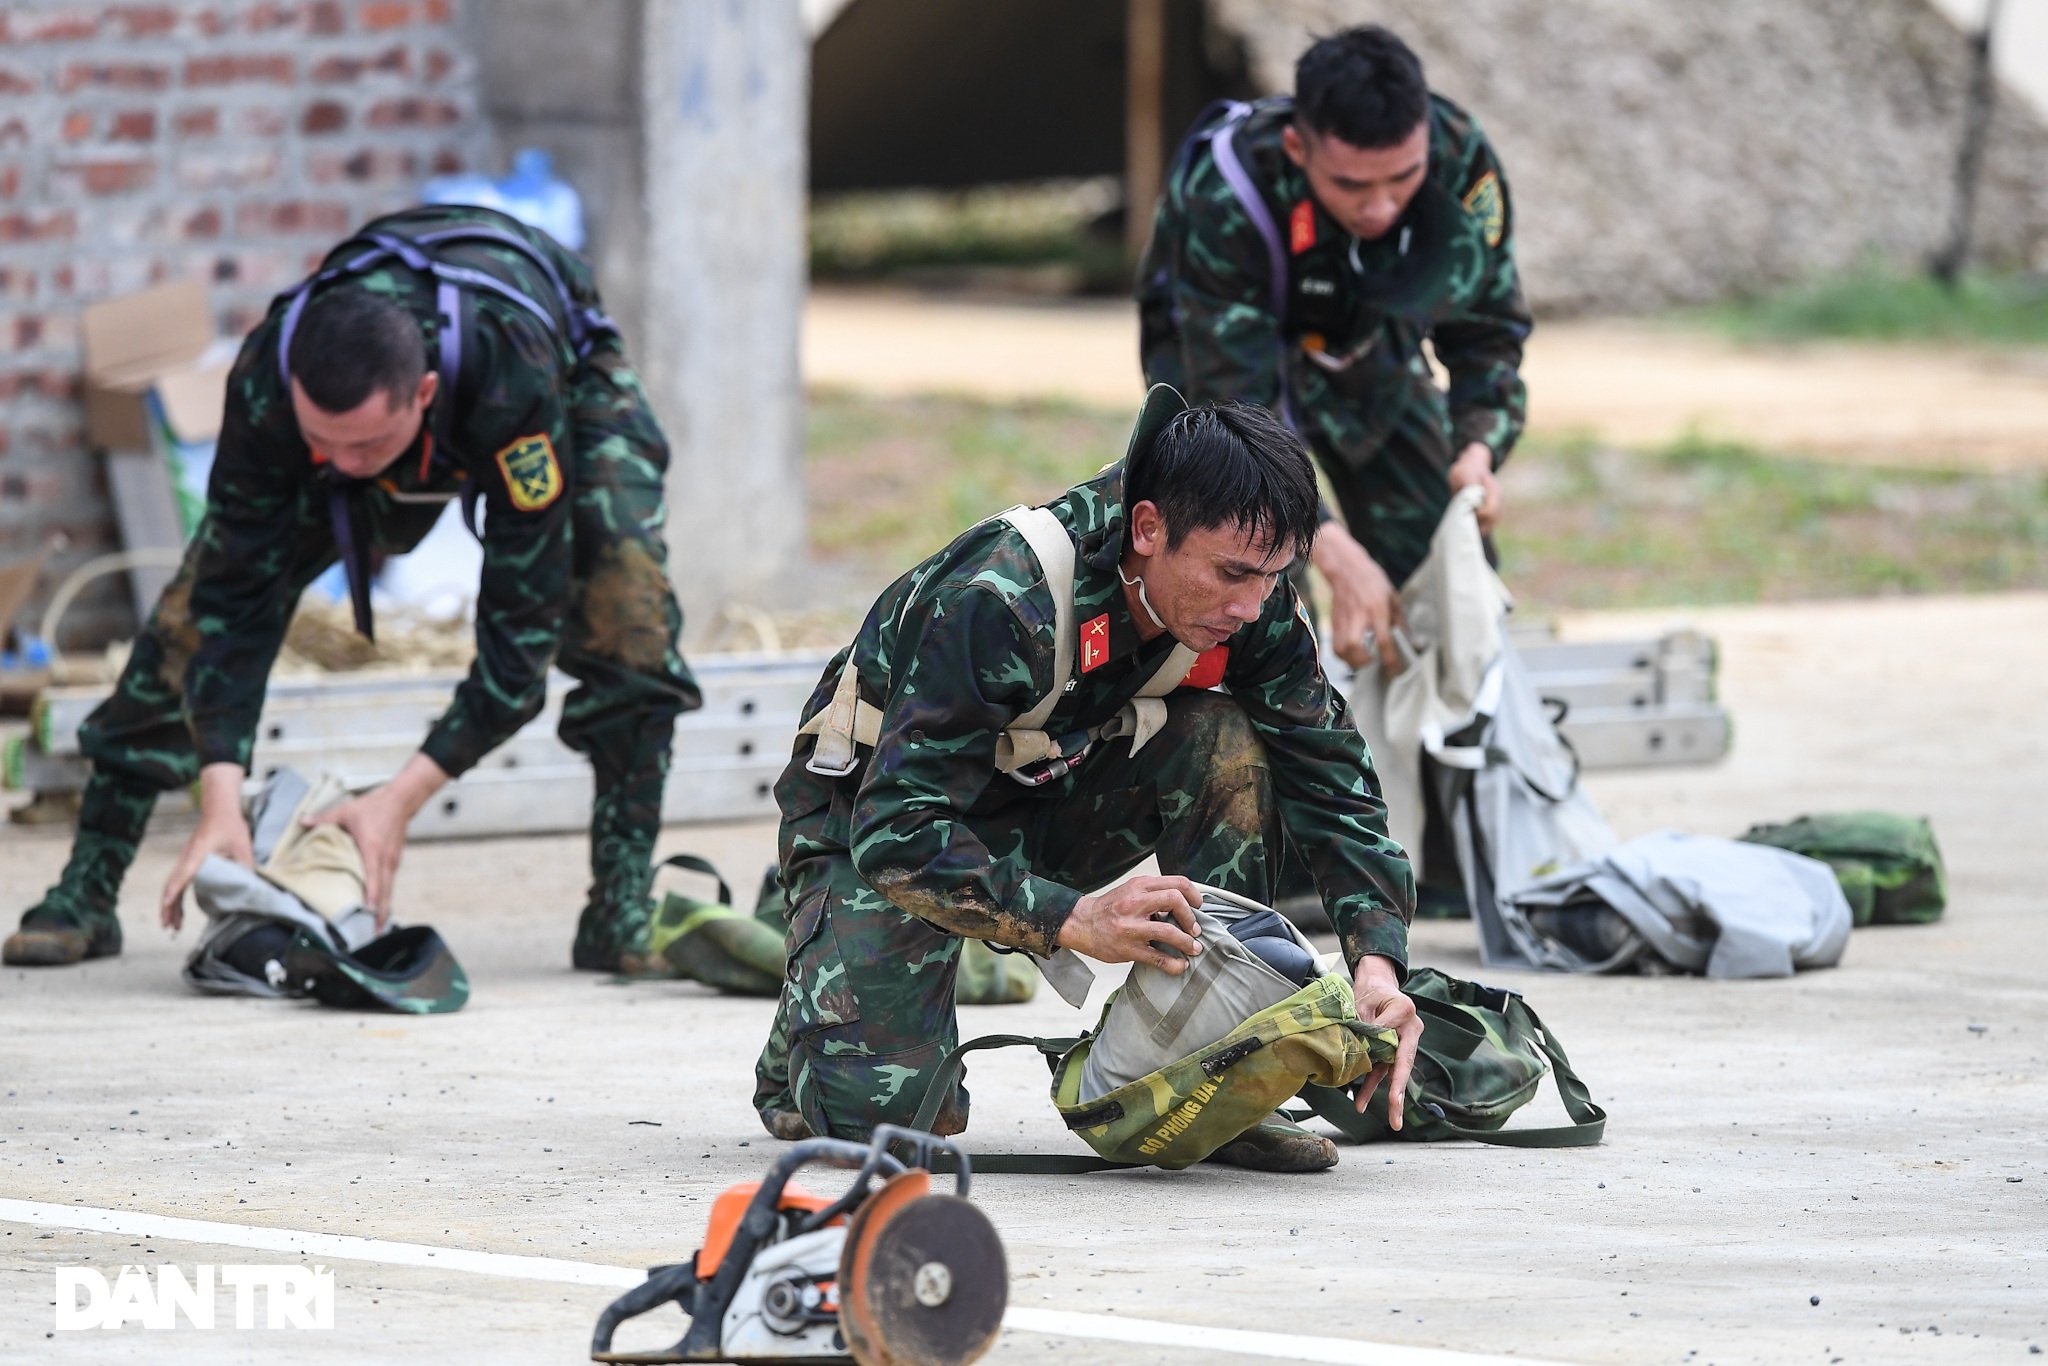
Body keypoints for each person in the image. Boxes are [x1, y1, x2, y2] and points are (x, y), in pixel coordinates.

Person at [4, 204, 698, 973]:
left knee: (627, 607)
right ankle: (87, 887)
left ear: (425, 393)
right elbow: (231, 605)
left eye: (364, 444)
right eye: (320, 443)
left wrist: (395, 801)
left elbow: (519, 641)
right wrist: (220, 798)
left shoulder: (511, 375)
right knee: (187, 616)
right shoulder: (268, 386)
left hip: (558, 371)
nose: (341, 463)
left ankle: (620, 905)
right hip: (368, 394)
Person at [751, 389, 1420, 1173]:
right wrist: (1075, 919)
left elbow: (1332, 776)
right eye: (1232, 573)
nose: (1250, 605)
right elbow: (896, 829)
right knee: (888, 1130)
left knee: (1228, 742)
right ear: (1147, 529)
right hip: (877, 831)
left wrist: (1377, 959)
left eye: (1273, 576)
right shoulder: (1001, 598)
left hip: (1048, 804)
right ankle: (817, 999)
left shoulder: (1255, 602)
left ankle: (1223, 1063)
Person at [1137, 24, 1530, 675]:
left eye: (1402, 178)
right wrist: (1333, 548)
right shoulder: (1226, 190)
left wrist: (1478, 451)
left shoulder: (1460, 162)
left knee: (1454, 589)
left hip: (1365, 350)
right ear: (1299, 147)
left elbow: (1488, 330)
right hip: (1222, 369)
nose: (1380, 207)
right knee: (1250, 606)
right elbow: (1235, 406)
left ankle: (1438, 763)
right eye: (1352, 186)